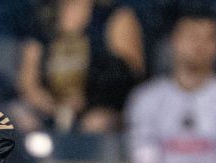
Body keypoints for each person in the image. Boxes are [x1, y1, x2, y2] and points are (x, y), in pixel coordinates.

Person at [125, 6, 216, 163]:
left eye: (209, 38)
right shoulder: (145, 98)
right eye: (192, 36)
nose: (200, 45)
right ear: (174, 39)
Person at [15, 0, 145, 132]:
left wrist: (88, 100)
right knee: (19, 117)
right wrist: (55, 108)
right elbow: (28, 82)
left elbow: (132, 77)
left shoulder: (117, 16)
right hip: (50, 108)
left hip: (103, 108)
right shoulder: (42, 17)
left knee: (95, 124)